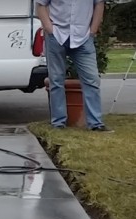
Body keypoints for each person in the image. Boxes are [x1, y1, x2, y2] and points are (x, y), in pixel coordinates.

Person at [36, 0, 110, 132]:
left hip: (83, 37)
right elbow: (41, 5)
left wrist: (92, 31)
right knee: (56, 80)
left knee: (91, 79)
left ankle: (96, 124)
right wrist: (49, 28)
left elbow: (99, 4)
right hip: (56, 35)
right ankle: (58, 123)